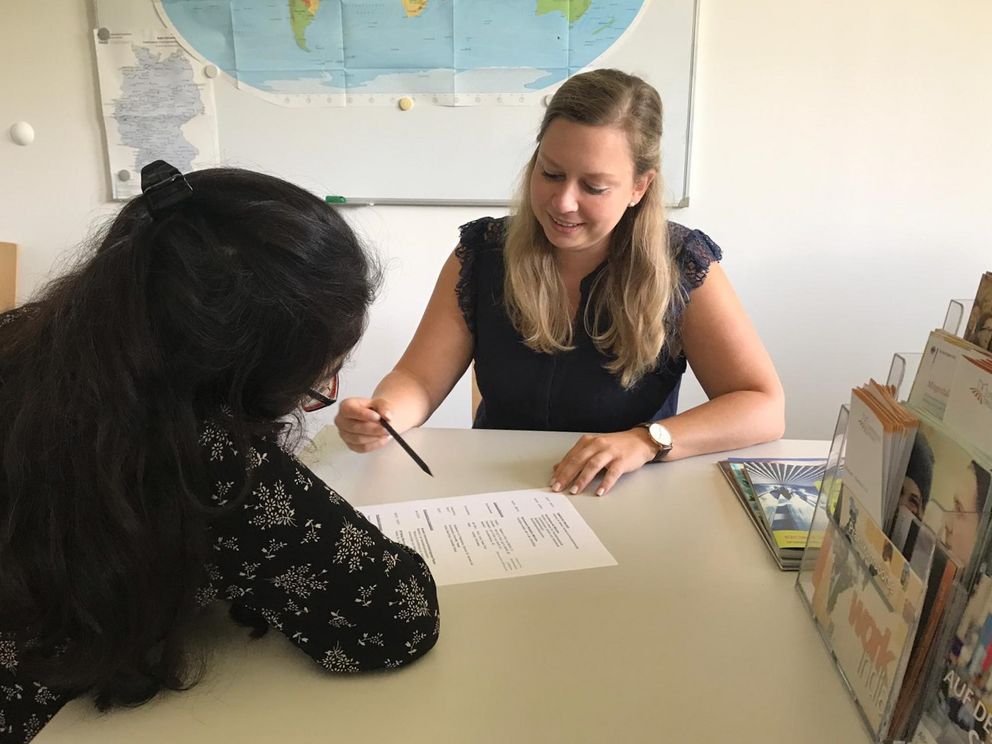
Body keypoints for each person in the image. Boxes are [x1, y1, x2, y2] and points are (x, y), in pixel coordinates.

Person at [0, 163, 440, 743]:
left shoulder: (28, 340)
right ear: (236, 378)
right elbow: (395, 620)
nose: (317, 398)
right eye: (313, 384)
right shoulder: (202, 455)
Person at [336, 68, 785, 495]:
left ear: (639, 187)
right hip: (495, 491)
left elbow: (762, 405)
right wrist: (386, 413)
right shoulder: (482, 253)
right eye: (550, 173)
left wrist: (647, 441)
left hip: (626, 494)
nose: (563, 202)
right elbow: (418, 378)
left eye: (594, 186)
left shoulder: (681, 264)